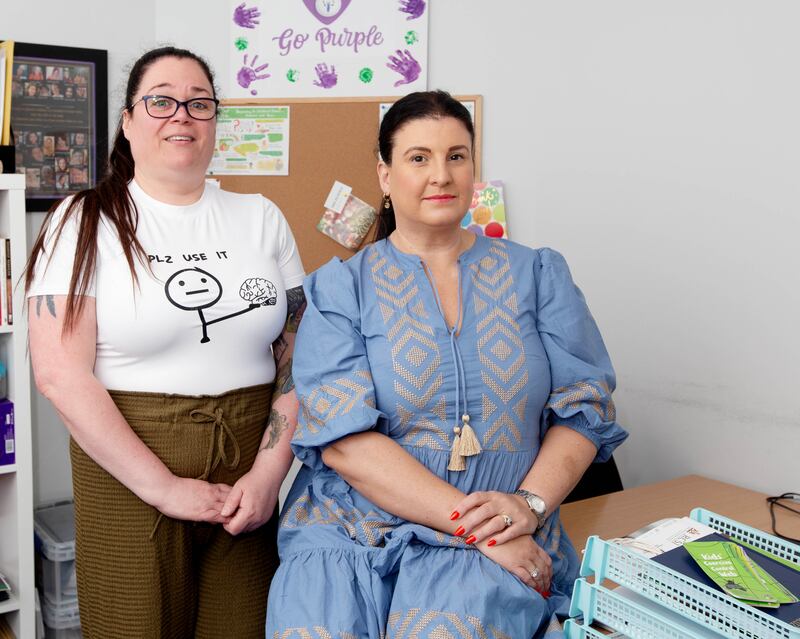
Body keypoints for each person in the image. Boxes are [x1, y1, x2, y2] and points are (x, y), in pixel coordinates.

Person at [266, 90, 628, 638]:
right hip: (353, 527)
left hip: (507, 522)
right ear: (385, 175)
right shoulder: (341, 289)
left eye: (456, 156)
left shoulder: (539, 274)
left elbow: (585, 410)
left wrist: (523, 509)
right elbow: (343, 442)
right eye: (419, 158)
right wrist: (478, 529)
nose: (441, 174)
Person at [25, 46, 305, 639]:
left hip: (245, 481)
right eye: (161, 100)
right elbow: (59, 375)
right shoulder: (82, 220)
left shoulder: (260, 216)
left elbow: (297, 356)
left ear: (214, 121)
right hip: (130, 481)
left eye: (199, 103)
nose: (182, 114)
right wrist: (167, 490)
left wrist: (267, 475)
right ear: (128, 121)